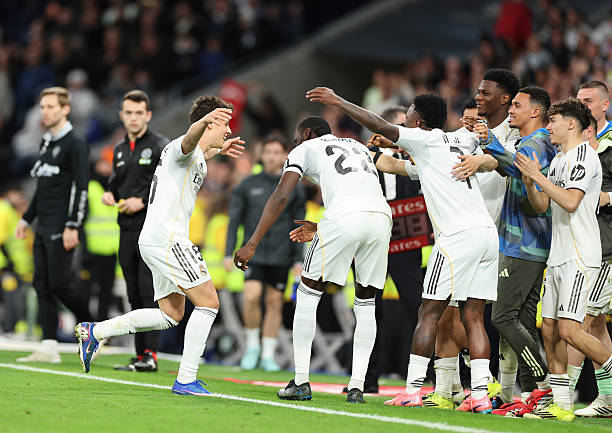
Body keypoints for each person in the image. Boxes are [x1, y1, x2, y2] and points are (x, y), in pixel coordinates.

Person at [305, 88, 498, 413]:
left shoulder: (425, 141)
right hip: (487, 236)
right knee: (474, 317)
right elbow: (404, 167)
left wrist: (340, 102)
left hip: (456, 238)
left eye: (408, 114)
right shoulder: (459, 141)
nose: (404, 118)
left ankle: (412, 389)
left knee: (428, 314)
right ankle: (480, 394)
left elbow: (378, 123)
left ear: (417, 121)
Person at [234, 116, 412, 404]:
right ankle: (357, 386)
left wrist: (252, 242)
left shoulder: (306, 148)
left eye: (295, 139)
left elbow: (281, 195)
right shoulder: (356, 146)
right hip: (380, 218)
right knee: (366, 302)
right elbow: (394, 171)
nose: (294, 144)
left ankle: (301, 381)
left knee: (307, 294)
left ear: (306, 133)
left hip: (343, 218)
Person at [75, 95, 245, 397]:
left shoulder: (196, 156)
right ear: (207, 123)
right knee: (209, 303)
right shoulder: (181, 148)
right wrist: (203, 125)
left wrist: (217, 148)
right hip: (169, 240)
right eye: (225, 124)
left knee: (171, 314)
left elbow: (198, 148)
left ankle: (96, 332)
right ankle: (186, 380)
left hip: (155, 239)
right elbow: (190, 141)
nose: (229, 130)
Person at [455, 87, 557, 416]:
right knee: (523, 322)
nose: (511, 110)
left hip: (521, 243)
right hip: (530, 243)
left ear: (536, 112)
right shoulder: (535, 143)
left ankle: (543, 384)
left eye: (517, 105)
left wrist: (489, 144)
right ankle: (532, 394)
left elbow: (520, 170)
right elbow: (510, 168)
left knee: (501, 317)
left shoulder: (535, 143)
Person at [515, 98, 612, 421]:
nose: (548, 127)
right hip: (558, 255)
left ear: (571, 124)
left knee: (571, 330)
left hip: (580, 255)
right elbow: (543, 205)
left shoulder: (586, 156)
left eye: (553, 121)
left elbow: (571, 201)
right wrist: (531, 181)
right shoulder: (558, 160)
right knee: (551, 331)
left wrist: (536, 175)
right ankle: (561, 404)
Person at [15, 86, 92, 363]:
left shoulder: (76, 144)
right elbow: (42, 187)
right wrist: (27, 218)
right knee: (41, 284)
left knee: (59, 284)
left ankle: (94, 326)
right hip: (42, 224)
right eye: (42, 106)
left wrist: (74, 224)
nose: (44, 112)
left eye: (50, 106)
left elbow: (82, 187)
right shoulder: (46, 141)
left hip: (62, 224)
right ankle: (48, 346)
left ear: (65, 109)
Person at [224, 135, 306, 372]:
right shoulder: (246, 185)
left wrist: (299, 258)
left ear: (284, 155)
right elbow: (234, 221)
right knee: (251, 297)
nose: (272, 157)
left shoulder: (294, 187)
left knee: (274, 302)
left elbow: (298, 223)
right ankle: (252, 346)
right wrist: (229, 253)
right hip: (254, 254)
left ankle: (268, 354)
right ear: (261, 155)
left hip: (282, 254)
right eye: (268, 152)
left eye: (276, 152)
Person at [101, 90, 169, 372]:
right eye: (128, 113)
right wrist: (109, 193)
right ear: (121, 115)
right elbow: (116, 182)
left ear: (148, 115)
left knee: (146, 291)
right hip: (125, 229)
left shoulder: (159, 145)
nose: (133, 118)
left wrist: (141, 200)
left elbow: (166, 183)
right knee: (132, 293)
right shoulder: (119, 149)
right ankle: (142, 355)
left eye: (139, 113)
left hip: (149, 230)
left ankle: (150, 354)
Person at [567, 81, 612, 417]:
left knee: (582, 321)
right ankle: (607, 399)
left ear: (605, 104)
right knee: (594, 325)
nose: (581, 104)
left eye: (588, 100)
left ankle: (562, 394)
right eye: (578, 100)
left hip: (606, 246)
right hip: (583, 245)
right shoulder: (577, 144)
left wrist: (610, 197)